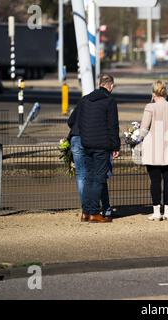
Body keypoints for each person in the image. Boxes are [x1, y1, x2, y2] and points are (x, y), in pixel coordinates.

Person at [140, 80, 168, 221]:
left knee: (155, 181)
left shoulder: (150, 107)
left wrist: (137, 138)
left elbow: (144, 128)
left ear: (154, 93)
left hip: (154, 150)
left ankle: (156, 212)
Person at [79, 74, 121, 223]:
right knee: (99, 179)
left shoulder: (85, 100)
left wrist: (85, 139)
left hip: (87, 144)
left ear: (99, 84)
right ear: (110, 86)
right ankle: (94, 213)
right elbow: (113, 125)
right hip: (102, 146)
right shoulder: (109, 101)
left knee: (89, 177)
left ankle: (85, 211)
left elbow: (80, 122)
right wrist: (116, 146)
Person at [68, 105, 113, 221]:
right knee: (98, 175)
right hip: (90, 140)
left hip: (75, 138)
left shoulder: (82, 103)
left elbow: (70, 121)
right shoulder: (100, 106)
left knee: (81, 175)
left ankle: (85, 211)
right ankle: (97, 210)